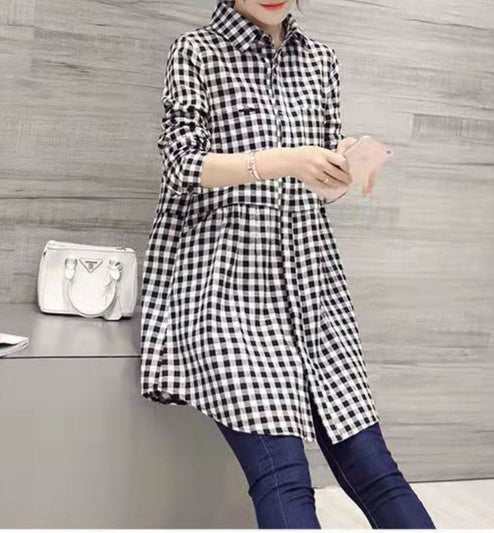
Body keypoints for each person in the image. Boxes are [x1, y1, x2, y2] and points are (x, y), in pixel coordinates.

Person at [140, 0, 436, 528]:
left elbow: (320, 190)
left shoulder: (321, 60)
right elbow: (181, 165)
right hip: (226, 291)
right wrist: (284, 159)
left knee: (377, 471)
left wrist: (342, 164)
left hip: (313, 289)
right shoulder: (197, 52)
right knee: (285, 479)